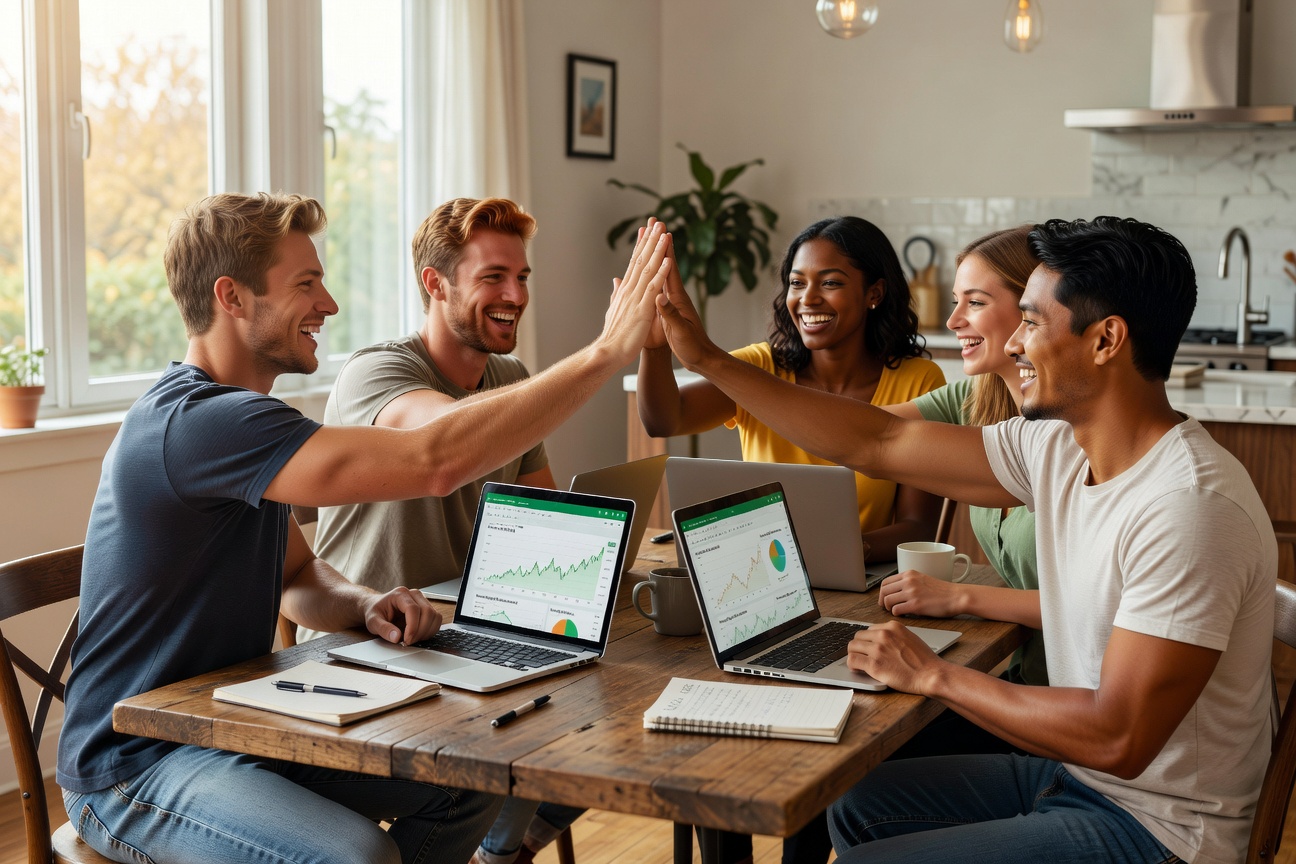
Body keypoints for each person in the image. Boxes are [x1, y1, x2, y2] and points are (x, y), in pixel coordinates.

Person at [54, 192, 673, 864]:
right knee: (357, 857)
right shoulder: (198, 423)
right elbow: (433, 460)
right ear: (231, 297)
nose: (329, 305)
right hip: (135, 764)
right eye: (306, 284)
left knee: (462, 780)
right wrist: (609, 351)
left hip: (229, 725)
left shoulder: (248, 421)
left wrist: (365, 603)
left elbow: (296, 573)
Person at [656, 215, 1276, 864]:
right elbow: (877, 439)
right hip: (1081, 779)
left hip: (1162, 829)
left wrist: (933, 674)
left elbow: (1119, 737)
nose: (1014, 347)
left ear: (1106, 340)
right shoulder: (1057, 446)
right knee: (853, 802)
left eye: (1031, 323)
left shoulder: (1187, 505)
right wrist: (703, 358)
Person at [303, 197, 555, 640]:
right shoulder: (374, 371)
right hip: (361, 640)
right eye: (493, 277)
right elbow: (441, 439)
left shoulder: (511, 378)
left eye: (521, 278)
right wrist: (603, 354)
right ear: (435, 284)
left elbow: (544, 521)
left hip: (458, 632)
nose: (516, 296)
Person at [637, 216, 946, 563]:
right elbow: (665, 421)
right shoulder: (757, 368)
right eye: (797, 283)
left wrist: (844, 553)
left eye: (829, 283)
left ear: (874, 293)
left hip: (861, 576)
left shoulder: (919, 380)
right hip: (761, 571)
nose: (808, 299)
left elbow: (918, 527)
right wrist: (654, 346)